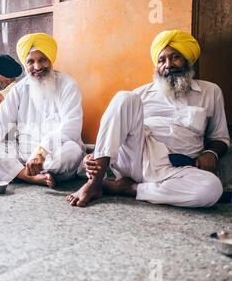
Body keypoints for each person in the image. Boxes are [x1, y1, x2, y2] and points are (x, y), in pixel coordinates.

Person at [67, 29, 229, 208]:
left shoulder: (211, 92)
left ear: (187, 60)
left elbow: (220, 138)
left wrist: (211, 153)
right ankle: (95, 183)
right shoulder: (141, 93)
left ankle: (129, 188)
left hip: (177, 168)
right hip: (136, 157)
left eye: (175, 57)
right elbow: (117, 127)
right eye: (162, 60)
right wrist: (95, 156)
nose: (168, 65)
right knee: (124, 97)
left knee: (211, 188)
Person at [0, 33, 84, 187]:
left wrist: (42, 150)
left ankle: (12, 172)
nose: (37, 67)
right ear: (25, 65)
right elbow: (0, 121)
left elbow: (71, 128)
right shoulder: (20, 88)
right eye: (31, 62)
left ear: (50, 60)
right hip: (23, 153)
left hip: (52, 154)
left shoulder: (68, 85)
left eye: (42, 60)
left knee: (72, 152)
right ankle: (28, 176)